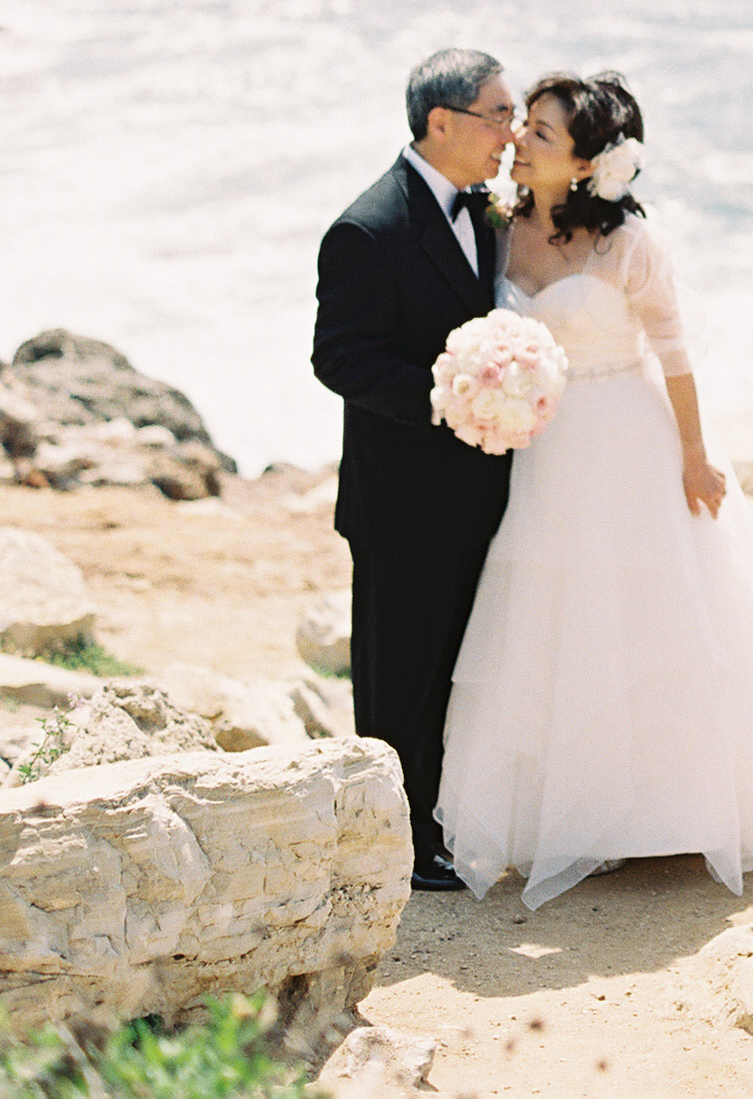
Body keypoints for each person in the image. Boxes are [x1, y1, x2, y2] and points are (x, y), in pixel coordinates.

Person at [435, 69, 753, 908]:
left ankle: (663, 811)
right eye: (523, 124)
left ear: (589, 161)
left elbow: (674, 352)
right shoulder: (499, 223)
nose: (519, 140)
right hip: (546, 450)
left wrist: (696, 456)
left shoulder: (627, 242)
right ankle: (572, 814)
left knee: (651, 619)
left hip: (628, 443)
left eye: (542, 133)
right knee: (554, 621)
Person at [312, 46, 518, 893]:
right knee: (400, 677)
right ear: (443, 123)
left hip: (483, 492)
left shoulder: (491, 212)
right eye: (497, 115)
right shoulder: (369, 227)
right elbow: (340, 359)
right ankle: (391, 844)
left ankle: (442, 823)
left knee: (459, 669)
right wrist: (449, 395)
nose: (510, 132)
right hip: (403, 501)